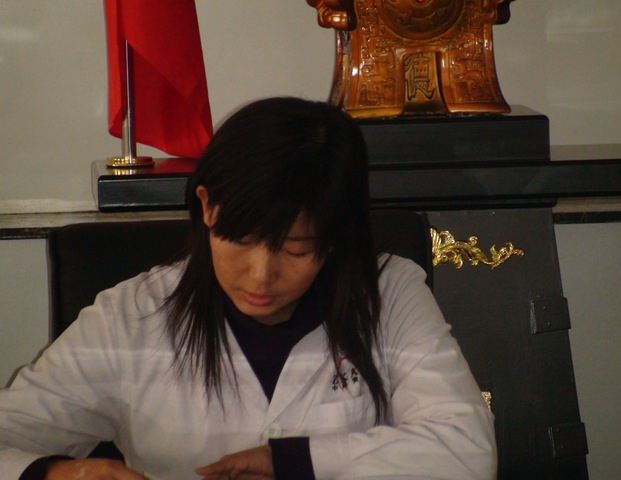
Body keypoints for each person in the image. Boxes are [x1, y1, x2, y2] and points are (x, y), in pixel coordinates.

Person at [0, 97, 496, 480]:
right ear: (207, 207)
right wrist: (56, 473)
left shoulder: (389, 293)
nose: (261, 276)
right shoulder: (133, 316)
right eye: (239, 240)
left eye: (296, 249)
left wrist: (298, 462)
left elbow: (466, 452)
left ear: (334, 238)